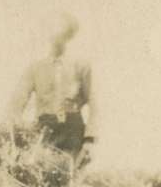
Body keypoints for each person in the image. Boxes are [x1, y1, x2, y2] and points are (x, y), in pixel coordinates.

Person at [6, 14, 95, 168]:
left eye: (63, 33)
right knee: (39, 176)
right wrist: (13, 133)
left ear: (70, 36)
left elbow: (96, 104)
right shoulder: (35, 68)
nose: (57, 38)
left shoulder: (81, 66)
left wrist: (89, 139)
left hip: (72, 132)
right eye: (53, 32)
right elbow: (17, 102)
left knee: (68, 179)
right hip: (44, 131)